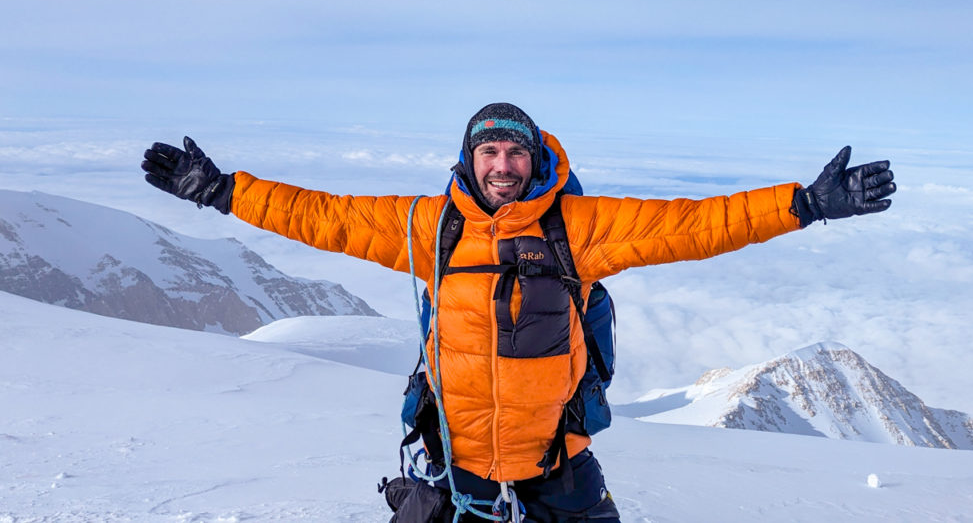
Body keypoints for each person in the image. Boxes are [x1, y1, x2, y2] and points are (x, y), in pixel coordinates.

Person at [142, 103, 896, 522]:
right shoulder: (431, 228)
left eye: (515, 153)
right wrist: (223, 190)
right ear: (469, 162)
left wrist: (802, 206)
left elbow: (693, 225)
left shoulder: (578, 228)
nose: (502, 166)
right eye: (488, 153)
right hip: (458, 472)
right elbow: (323, 216)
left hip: (558, 473)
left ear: (537, 160)